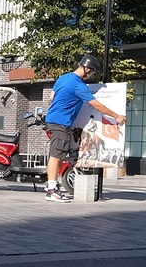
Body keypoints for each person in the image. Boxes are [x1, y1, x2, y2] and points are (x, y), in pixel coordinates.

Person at [43, 55, 126, 202]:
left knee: (57, 155)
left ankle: (52, 187)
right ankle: (51, 190)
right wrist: (116, 116)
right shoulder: (78, 85)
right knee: (56, 155)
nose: (92, 76)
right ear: (87, 68)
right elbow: (97, 105)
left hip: (53, 120)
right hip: (61, 122)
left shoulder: (63, 78)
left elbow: (51, 97)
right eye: (93, 73)